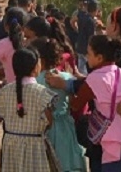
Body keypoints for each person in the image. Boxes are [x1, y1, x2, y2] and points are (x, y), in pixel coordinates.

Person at [70, 35, 121, 172]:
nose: (87, 56)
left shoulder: (95, 78)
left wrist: (66, 87)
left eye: (89, 53)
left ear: (99, 58)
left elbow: (76, 105)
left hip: (113, 145)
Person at [0, 46, 61, 172]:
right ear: (36, 67)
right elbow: (49, 120)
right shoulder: (42, 93)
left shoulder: (4, 92)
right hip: (34, 147)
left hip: (11, 147)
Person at [31, 38, 85, 172]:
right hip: (64, 127)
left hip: (41, 128)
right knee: (65, 164)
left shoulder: (35, 81)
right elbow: (73, 105)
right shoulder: (66, 77)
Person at [75, 0, 98, 74]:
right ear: (95, 11)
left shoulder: (81, 15)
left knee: (80, 67)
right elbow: (91, 37)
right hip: (86, 48)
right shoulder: (91, 21)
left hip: (80, 45)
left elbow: (73, 21)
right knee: (86, 70)